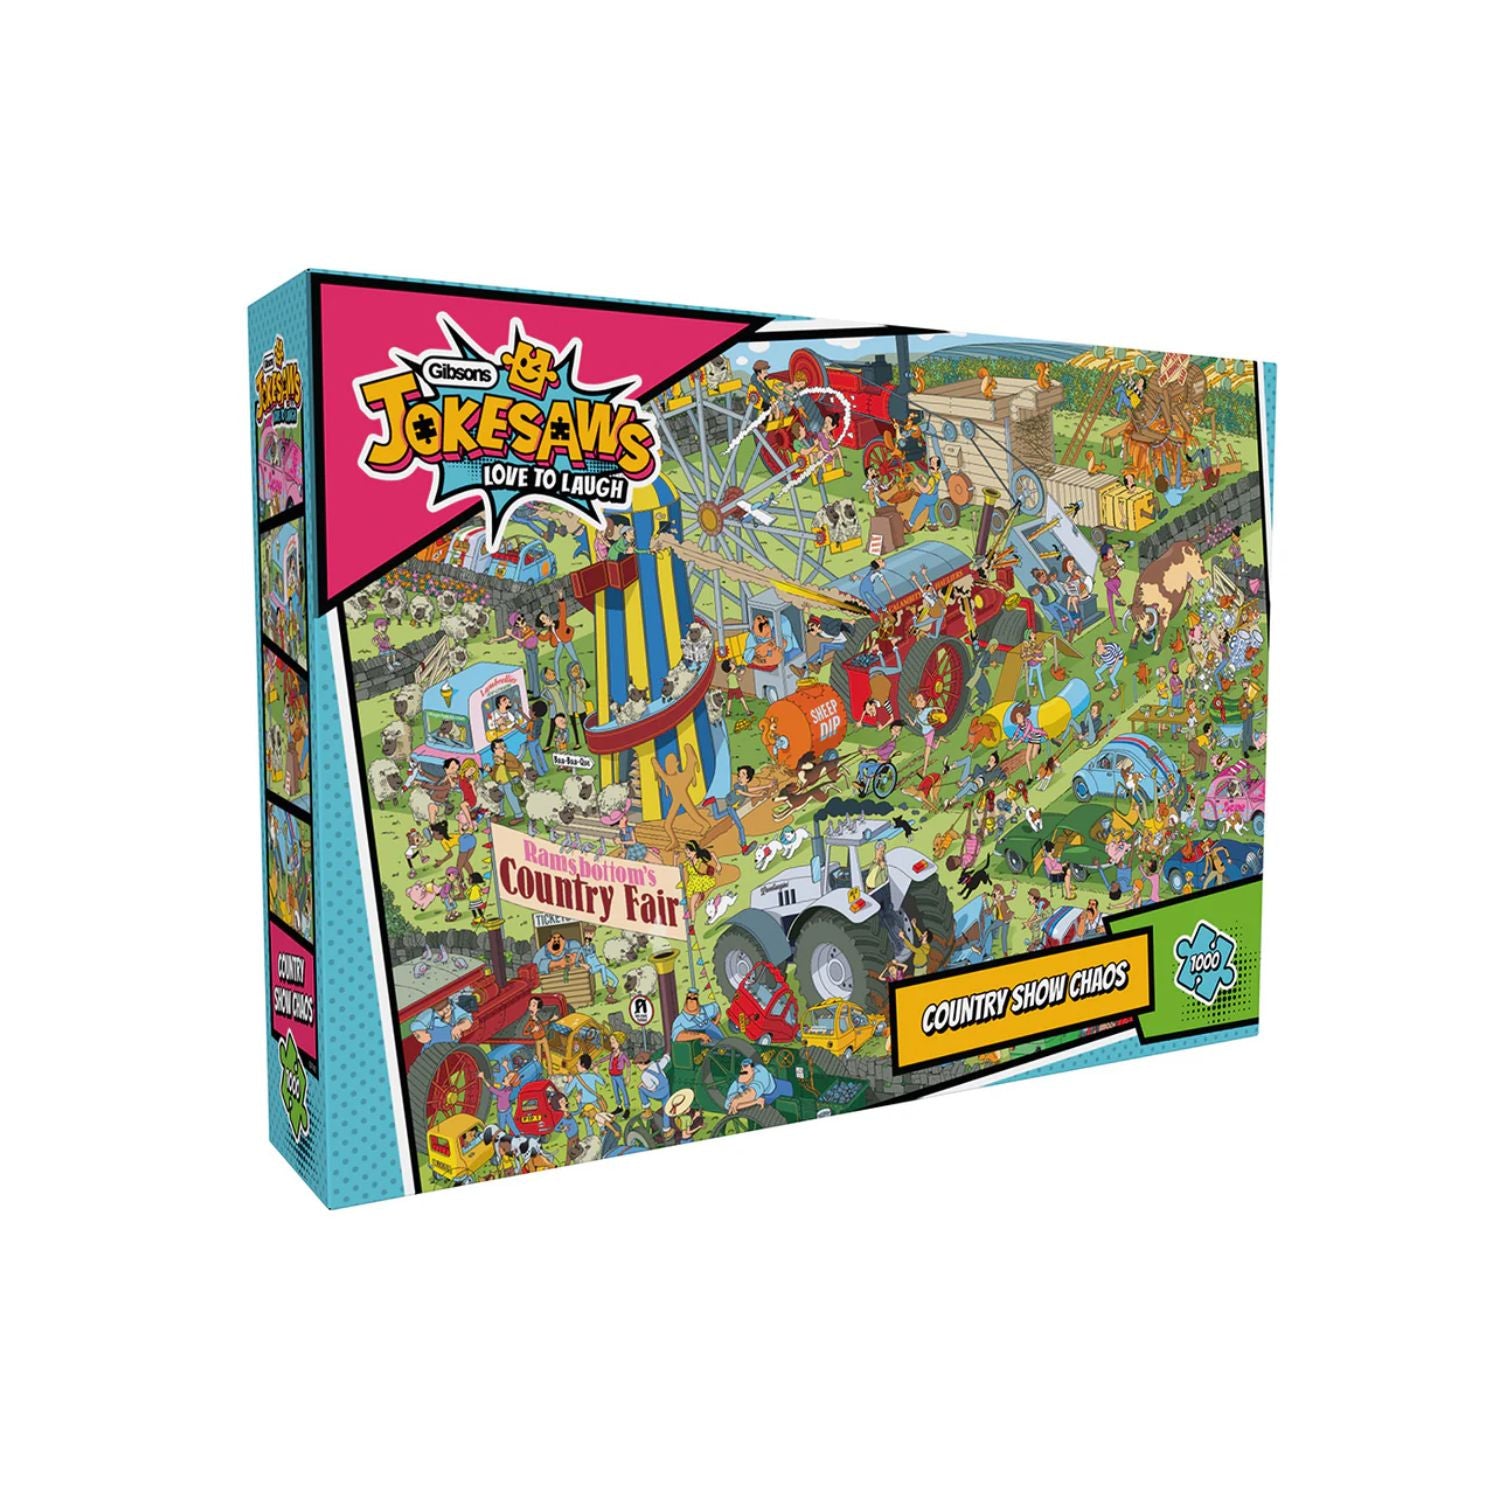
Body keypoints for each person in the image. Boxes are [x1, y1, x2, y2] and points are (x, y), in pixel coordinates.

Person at [408, 992, 474, 1048]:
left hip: (452, 1048)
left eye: (447, 1007)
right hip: (431, 1051)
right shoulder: (429, 1014)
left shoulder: (454, 1009)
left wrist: (459, 1027)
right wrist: (421, 1035)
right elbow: (415, 1026)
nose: (445, 1011)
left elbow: (468, 1020)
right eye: (441, 1010)